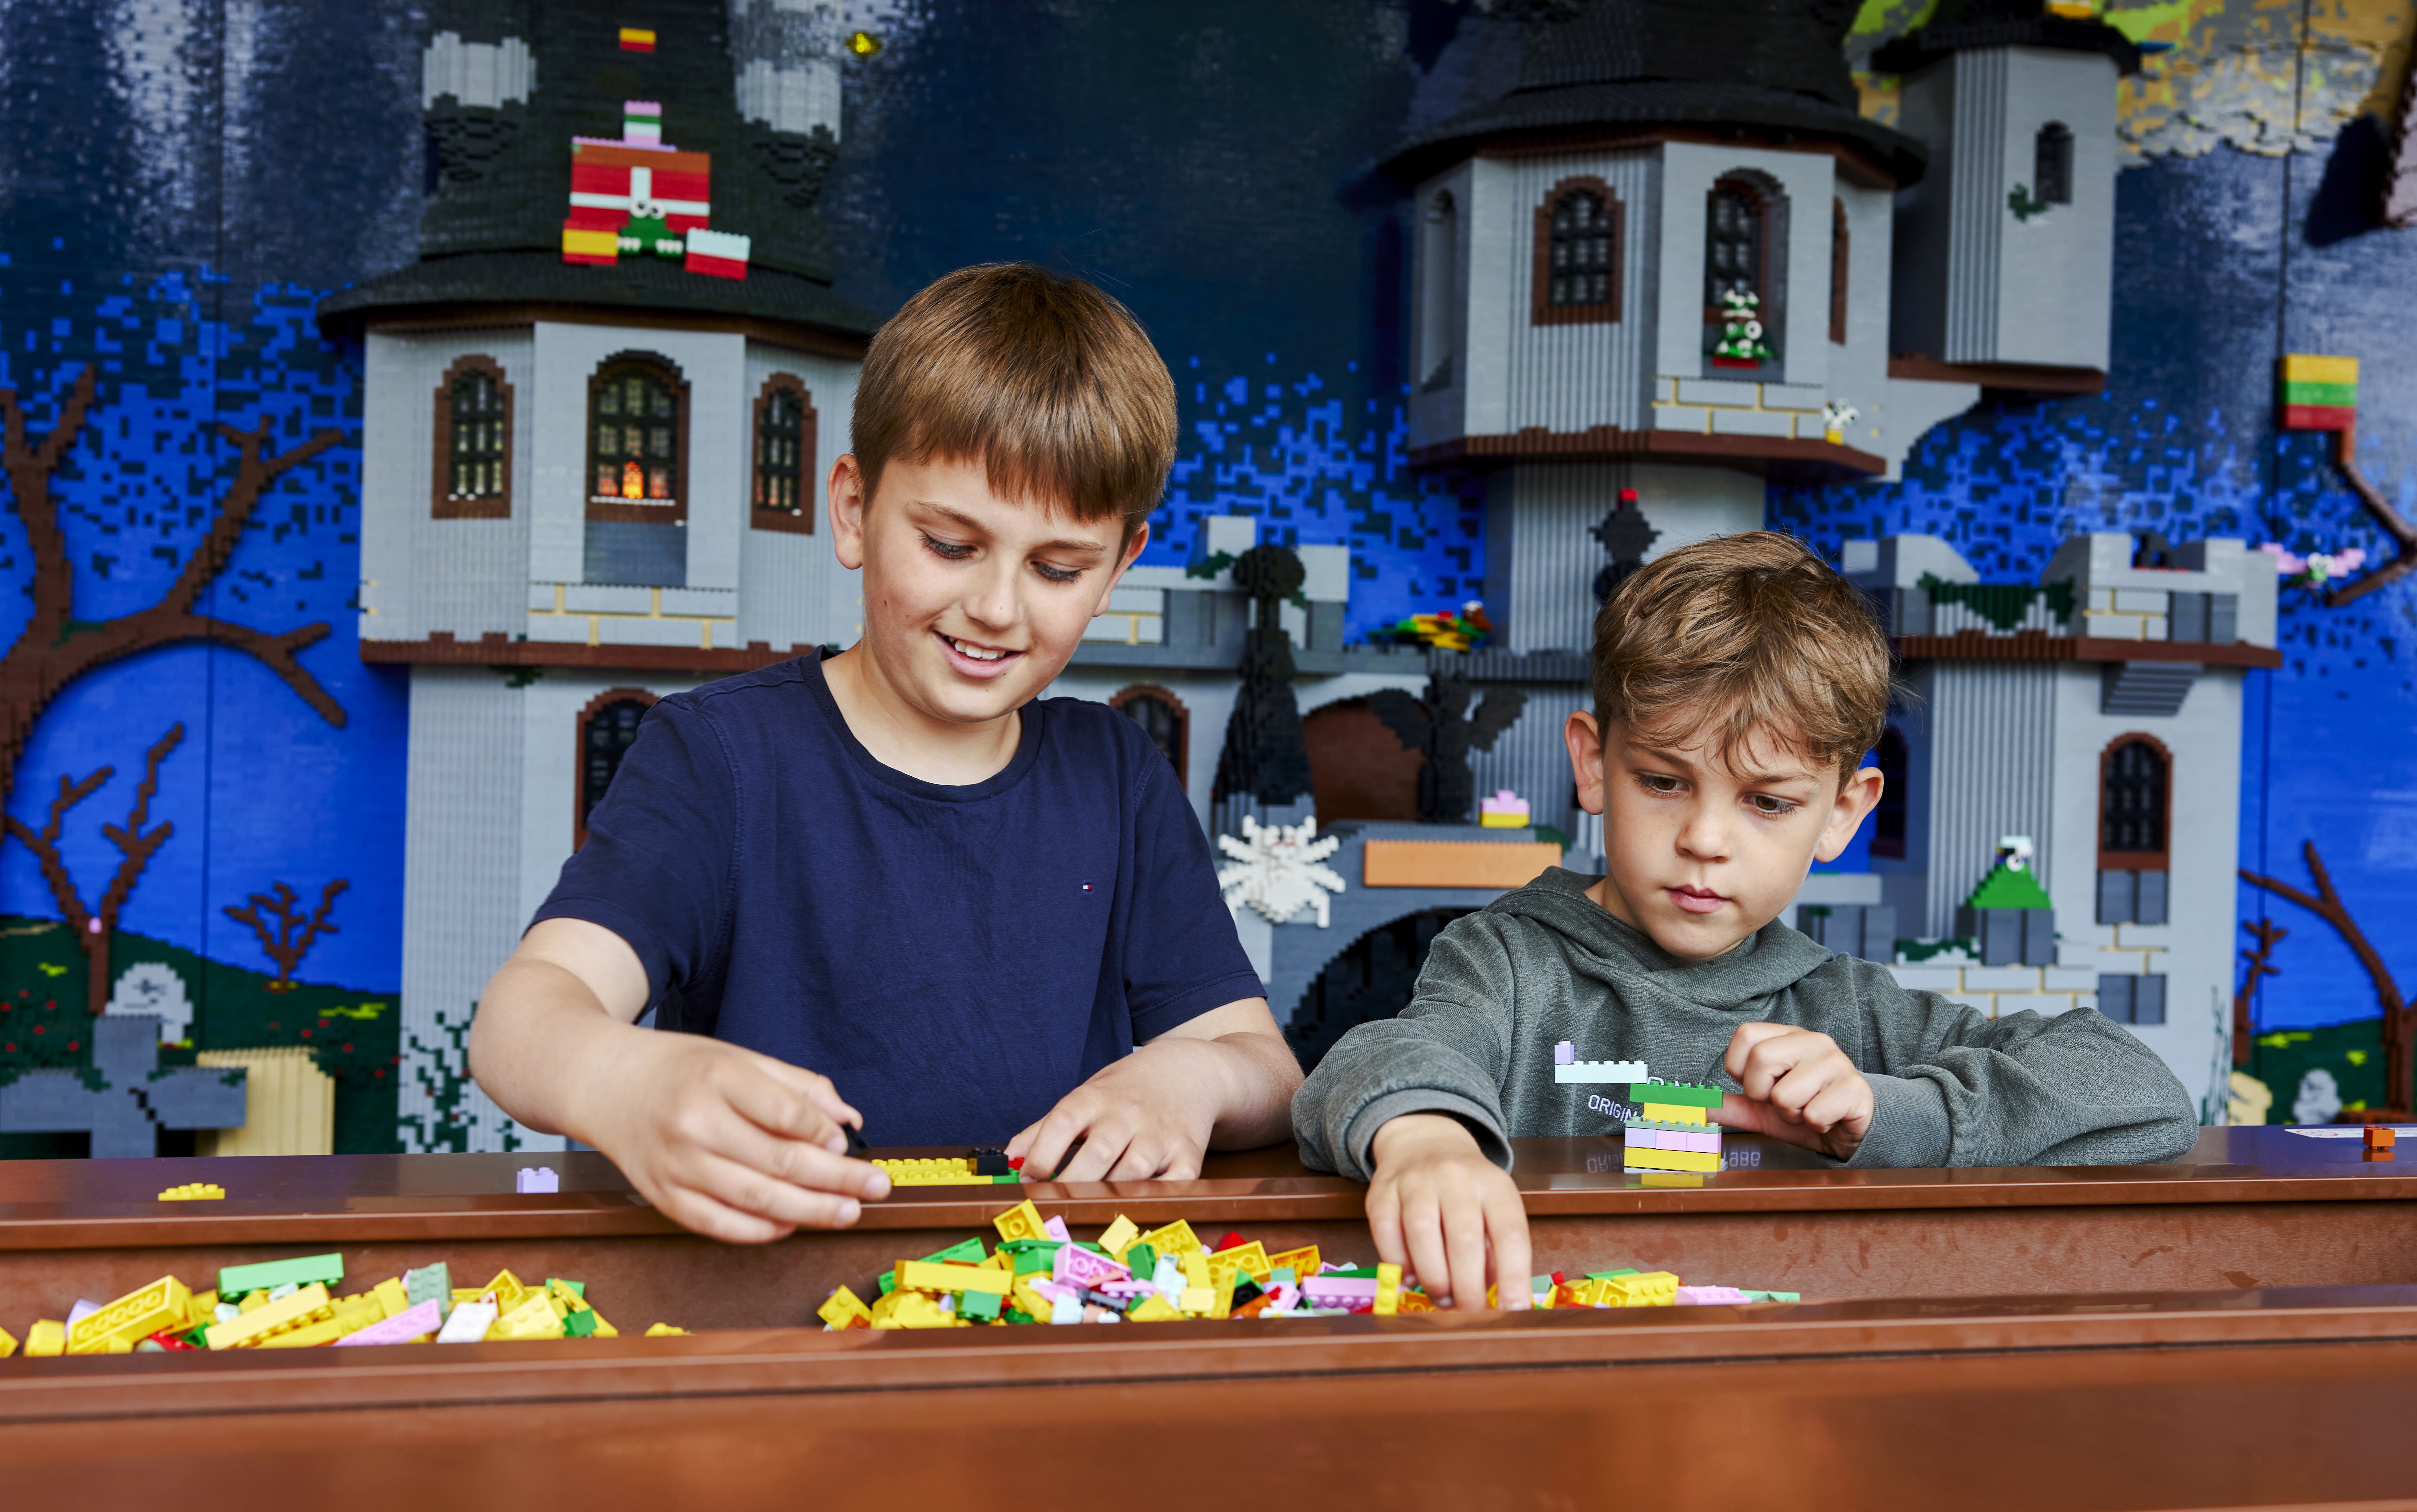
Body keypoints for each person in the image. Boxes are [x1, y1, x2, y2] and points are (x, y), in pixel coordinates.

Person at [472, 264, 1298, 1244]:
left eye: (1056, 567)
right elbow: (521, 1019)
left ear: (1119, 565)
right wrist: (624, 1079)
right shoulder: (720, 758)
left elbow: (1266, 1070)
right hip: (772, 1323)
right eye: (950, 544)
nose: (996, 607)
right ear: (855, 508)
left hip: (1039, 1317)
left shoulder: (1114, 775)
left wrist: (1191, 1075)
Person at [1291, 532, 2198, 1309]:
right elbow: (1384, 1052)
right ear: (1593, 763)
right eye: (1661, 780)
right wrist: (1425, 1138)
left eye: (1766, 801)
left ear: (1841, 812)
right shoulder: (1508, 959)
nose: (1704, 839)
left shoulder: (1845, 1011)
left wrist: (1889, 1112)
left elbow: (2137, 1090)